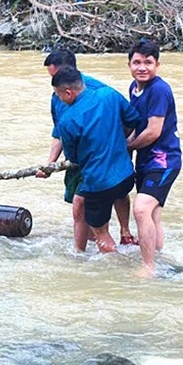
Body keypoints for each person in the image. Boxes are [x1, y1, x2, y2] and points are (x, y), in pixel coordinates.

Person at [38, 66, 141, 254]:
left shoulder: (68, 120)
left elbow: (73, 157)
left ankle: (118, 271)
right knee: (117, 198)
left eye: (58, 95)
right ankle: (126, 236)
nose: (58, 99)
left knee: (101, 234)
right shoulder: (108, 94)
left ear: (68, 93)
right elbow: (133, 120)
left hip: (98, 184)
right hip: (125, 176)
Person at [126, 39, 182, 275]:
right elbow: (135, 123)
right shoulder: (134, 87)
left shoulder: (159, 89)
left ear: (157, 64)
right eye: (137, 62)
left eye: (148, 62)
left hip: (164, 160)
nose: (142, 67)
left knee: (141, 209)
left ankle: (148, 266)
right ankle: (159, 257)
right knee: (153, 214)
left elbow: (152, 132)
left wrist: (128, 146)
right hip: (147, 160)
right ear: (129, 65)